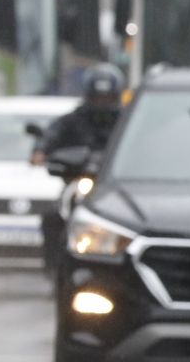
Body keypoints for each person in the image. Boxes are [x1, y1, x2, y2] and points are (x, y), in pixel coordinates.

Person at [34, 64, 126, 268]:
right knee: (52, 218)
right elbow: (51, 136)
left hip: (118, 188)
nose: (102, 103)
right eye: (98, 98)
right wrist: (41, 152)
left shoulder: (126, 122)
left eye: (107, 98)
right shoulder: (72, 120)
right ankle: (53, 269)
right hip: (77, 182)